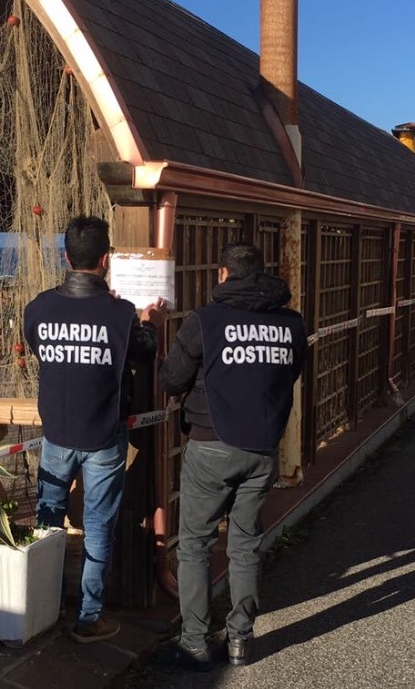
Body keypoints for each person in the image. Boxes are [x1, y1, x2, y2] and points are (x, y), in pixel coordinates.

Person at [159, 241, 307, 671]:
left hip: (210, 444)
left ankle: (194, 641)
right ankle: (240, 638)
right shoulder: (291, 323)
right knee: (245, 546)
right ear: (261, 274)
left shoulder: (206, 320)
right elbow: (291, 371)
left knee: (196, 546)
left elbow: (171, 379)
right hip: (262, 447)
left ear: (223, 274)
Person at [23, 214, 167, 644]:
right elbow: (145, 353)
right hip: (104, 434)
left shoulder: (38, 308)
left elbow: (40, 349)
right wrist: (150, 321)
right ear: (105, 260)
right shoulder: (121, 315)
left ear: (65, 257)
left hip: (55, 434)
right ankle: (88, 617)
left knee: (47, 520)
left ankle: (42, 606)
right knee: (98, 525)